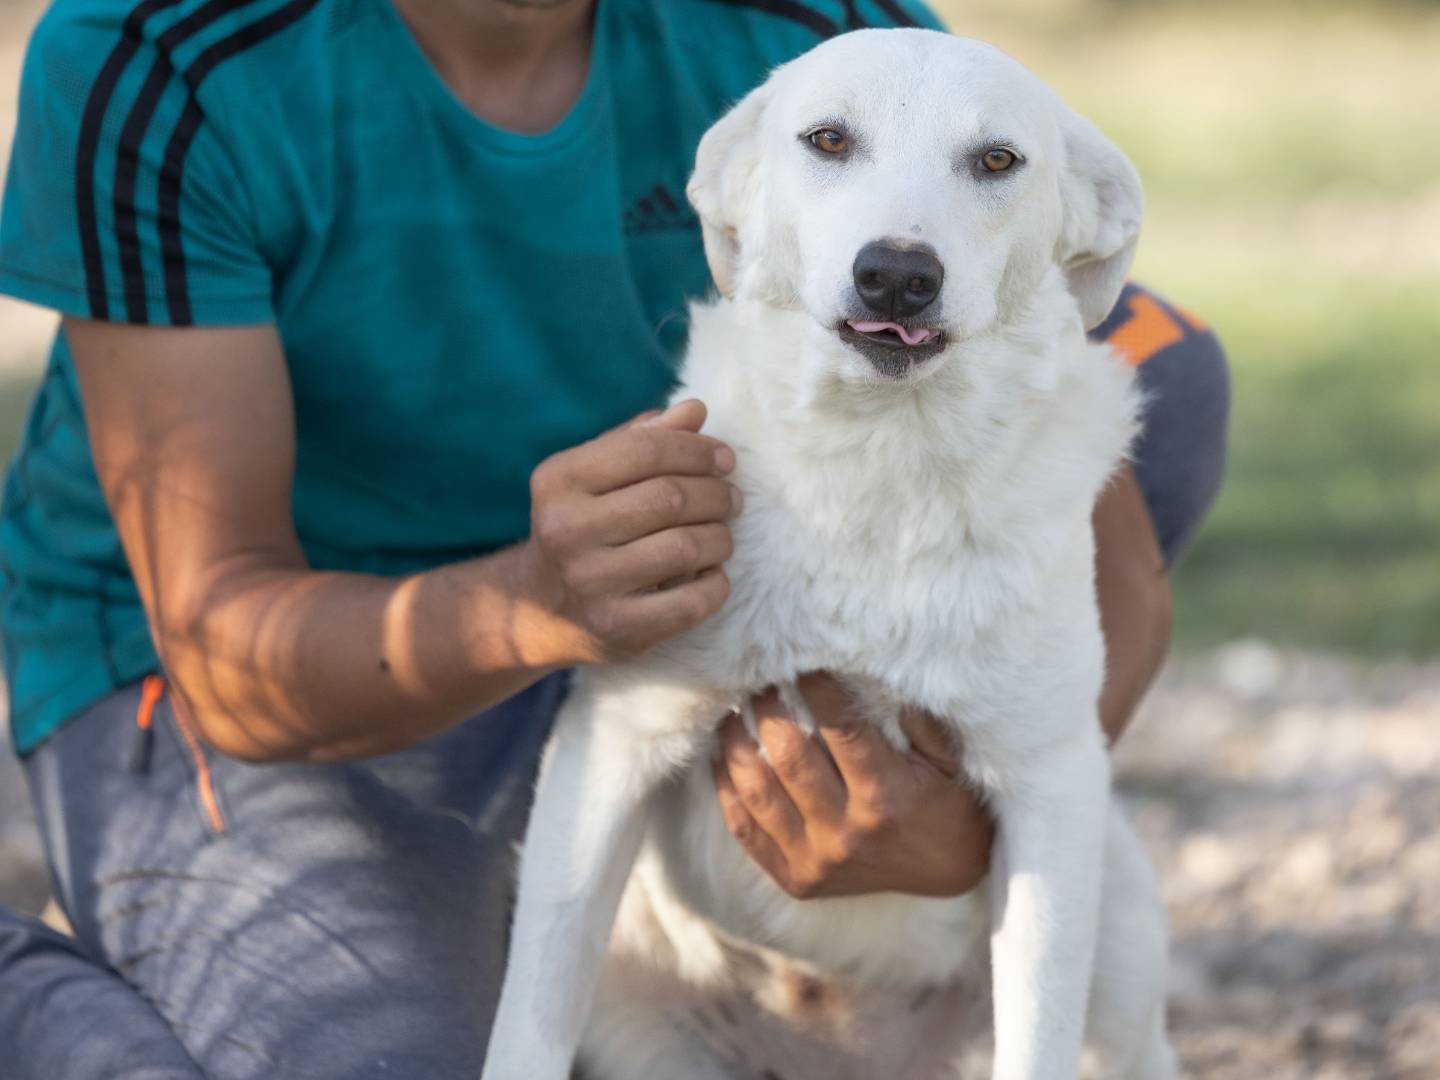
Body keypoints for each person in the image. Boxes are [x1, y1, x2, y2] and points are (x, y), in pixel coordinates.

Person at [0, 0, 1229, 1075]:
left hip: (668, 613)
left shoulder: (809, 37)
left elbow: (1103, 549)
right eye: (835, 150)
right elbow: (227, 654)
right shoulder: (162, 54)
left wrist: (962, 826)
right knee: (382, 1059)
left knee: (1156, 373)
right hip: (268, 670)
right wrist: (532, 606)